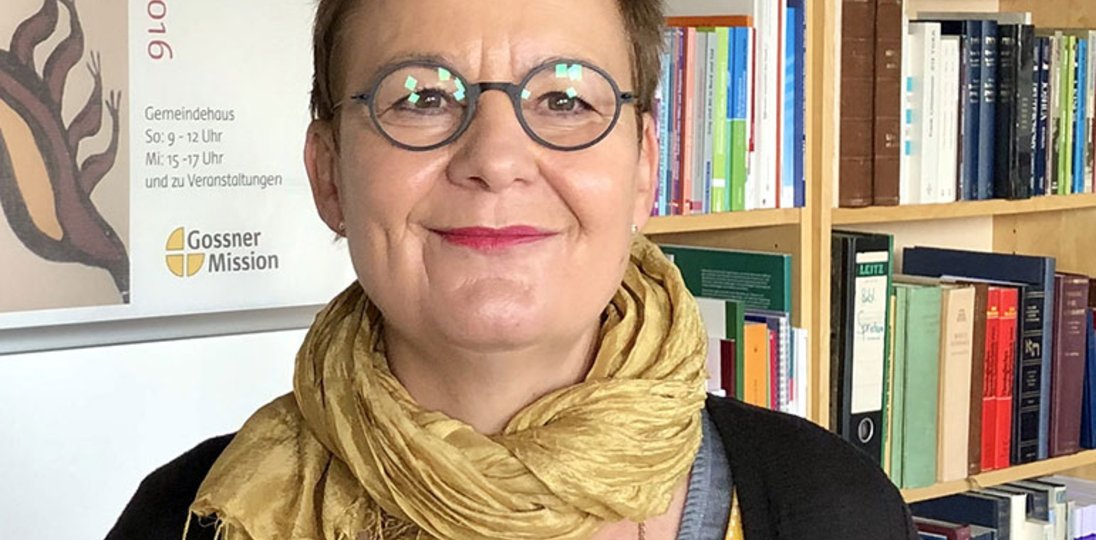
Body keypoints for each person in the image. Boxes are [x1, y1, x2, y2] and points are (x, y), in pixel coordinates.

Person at [106, 0, 918, 539]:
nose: (496, 159)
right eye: (421, 97)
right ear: (329, 175)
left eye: (565, 100)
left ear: (643, 167)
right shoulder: (188, 517)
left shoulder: (836, 510)